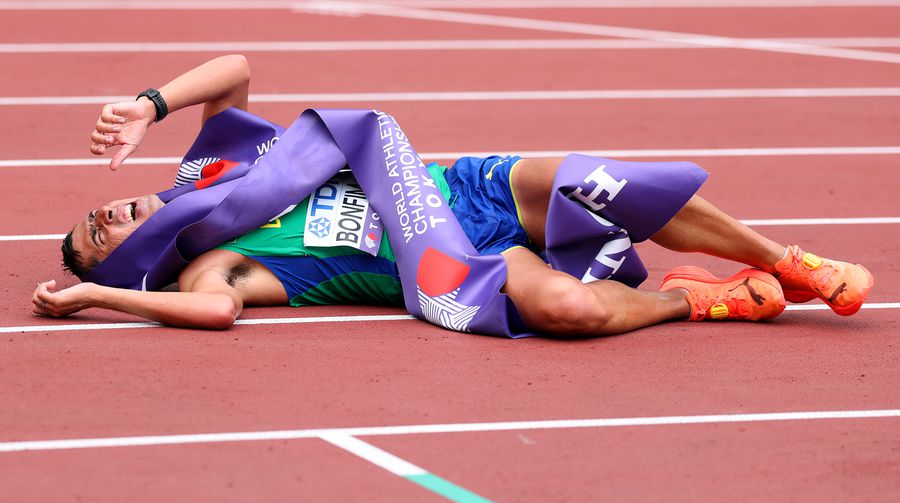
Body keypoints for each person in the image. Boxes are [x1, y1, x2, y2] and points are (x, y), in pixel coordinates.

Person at [32, 55, 874, 335]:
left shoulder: (212, 172)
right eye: (97, 233)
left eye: (98, 207)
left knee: (596, 180)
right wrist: (93, 295)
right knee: (571, 316)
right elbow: (215, 315)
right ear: (130, 258)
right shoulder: (215, 263)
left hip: (463, 186)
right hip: (458, 261)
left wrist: (148, 106)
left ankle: (786, 259)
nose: (106, 214)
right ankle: (700, 303)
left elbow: (237, 71)